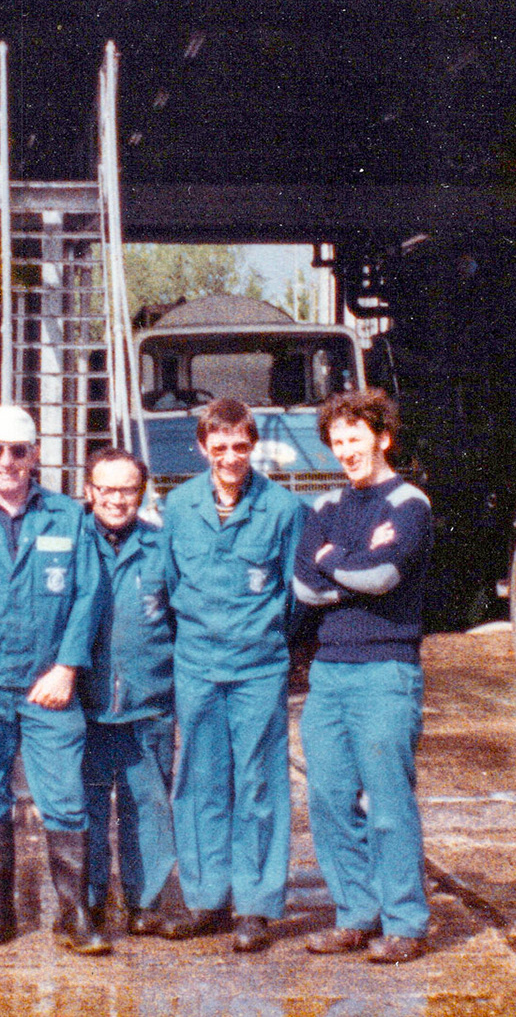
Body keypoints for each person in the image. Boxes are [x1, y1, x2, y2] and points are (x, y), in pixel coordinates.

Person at [0, 404, 111, 955]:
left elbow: (89, 595)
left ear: (36, 454)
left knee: (64, 797)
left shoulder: (67, 517)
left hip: (47, 688)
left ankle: (75, 912)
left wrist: (67, 667)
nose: (6, 461)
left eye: (18, 450)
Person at [158, 397, 305, 953]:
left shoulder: (284, 510)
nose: (229, 457)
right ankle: (206, 901)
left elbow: (295, 597)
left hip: (257, 667)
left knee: (259, 784)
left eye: (240, 447)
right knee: (197, 783)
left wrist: (263, 637)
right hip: (196, 665)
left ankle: (256, 906)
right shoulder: (178, 507)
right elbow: (171, 586)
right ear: (202, 449)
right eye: (218, 448)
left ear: (253, 447)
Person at [292, 389, 433, 965]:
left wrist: (331, 560)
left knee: (388, 801)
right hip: (329, 674)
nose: (346, 450)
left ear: (383, 438)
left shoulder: (410, 505)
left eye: (356, 438)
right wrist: (344, 562)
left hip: (386, 671)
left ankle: (405, 923)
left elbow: (380, 577)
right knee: (327, 798)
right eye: (337, 441)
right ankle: (355, 914)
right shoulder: (326, 507)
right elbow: (302, 589)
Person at [79, 447, 181, 936]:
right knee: (90, 809)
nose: (118, 500)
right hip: (88, 707)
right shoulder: (72, 544)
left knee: (148, 809)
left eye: (128, 490)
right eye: (107, 489)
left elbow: (184, 621)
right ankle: (91, 901)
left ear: (142, 493)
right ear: (89, 491)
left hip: (149, 705)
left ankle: (144, 903)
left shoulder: (163, 548)